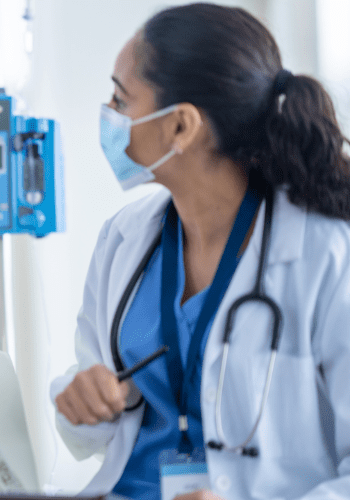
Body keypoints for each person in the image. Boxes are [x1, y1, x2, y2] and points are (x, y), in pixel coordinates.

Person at [50, 3, 350, 500]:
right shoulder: (123, 239)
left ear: (181, 126)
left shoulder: (327, 257)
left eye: (121, 99)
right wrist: (84, 399)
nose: (108, 115)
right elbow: (92, 428)